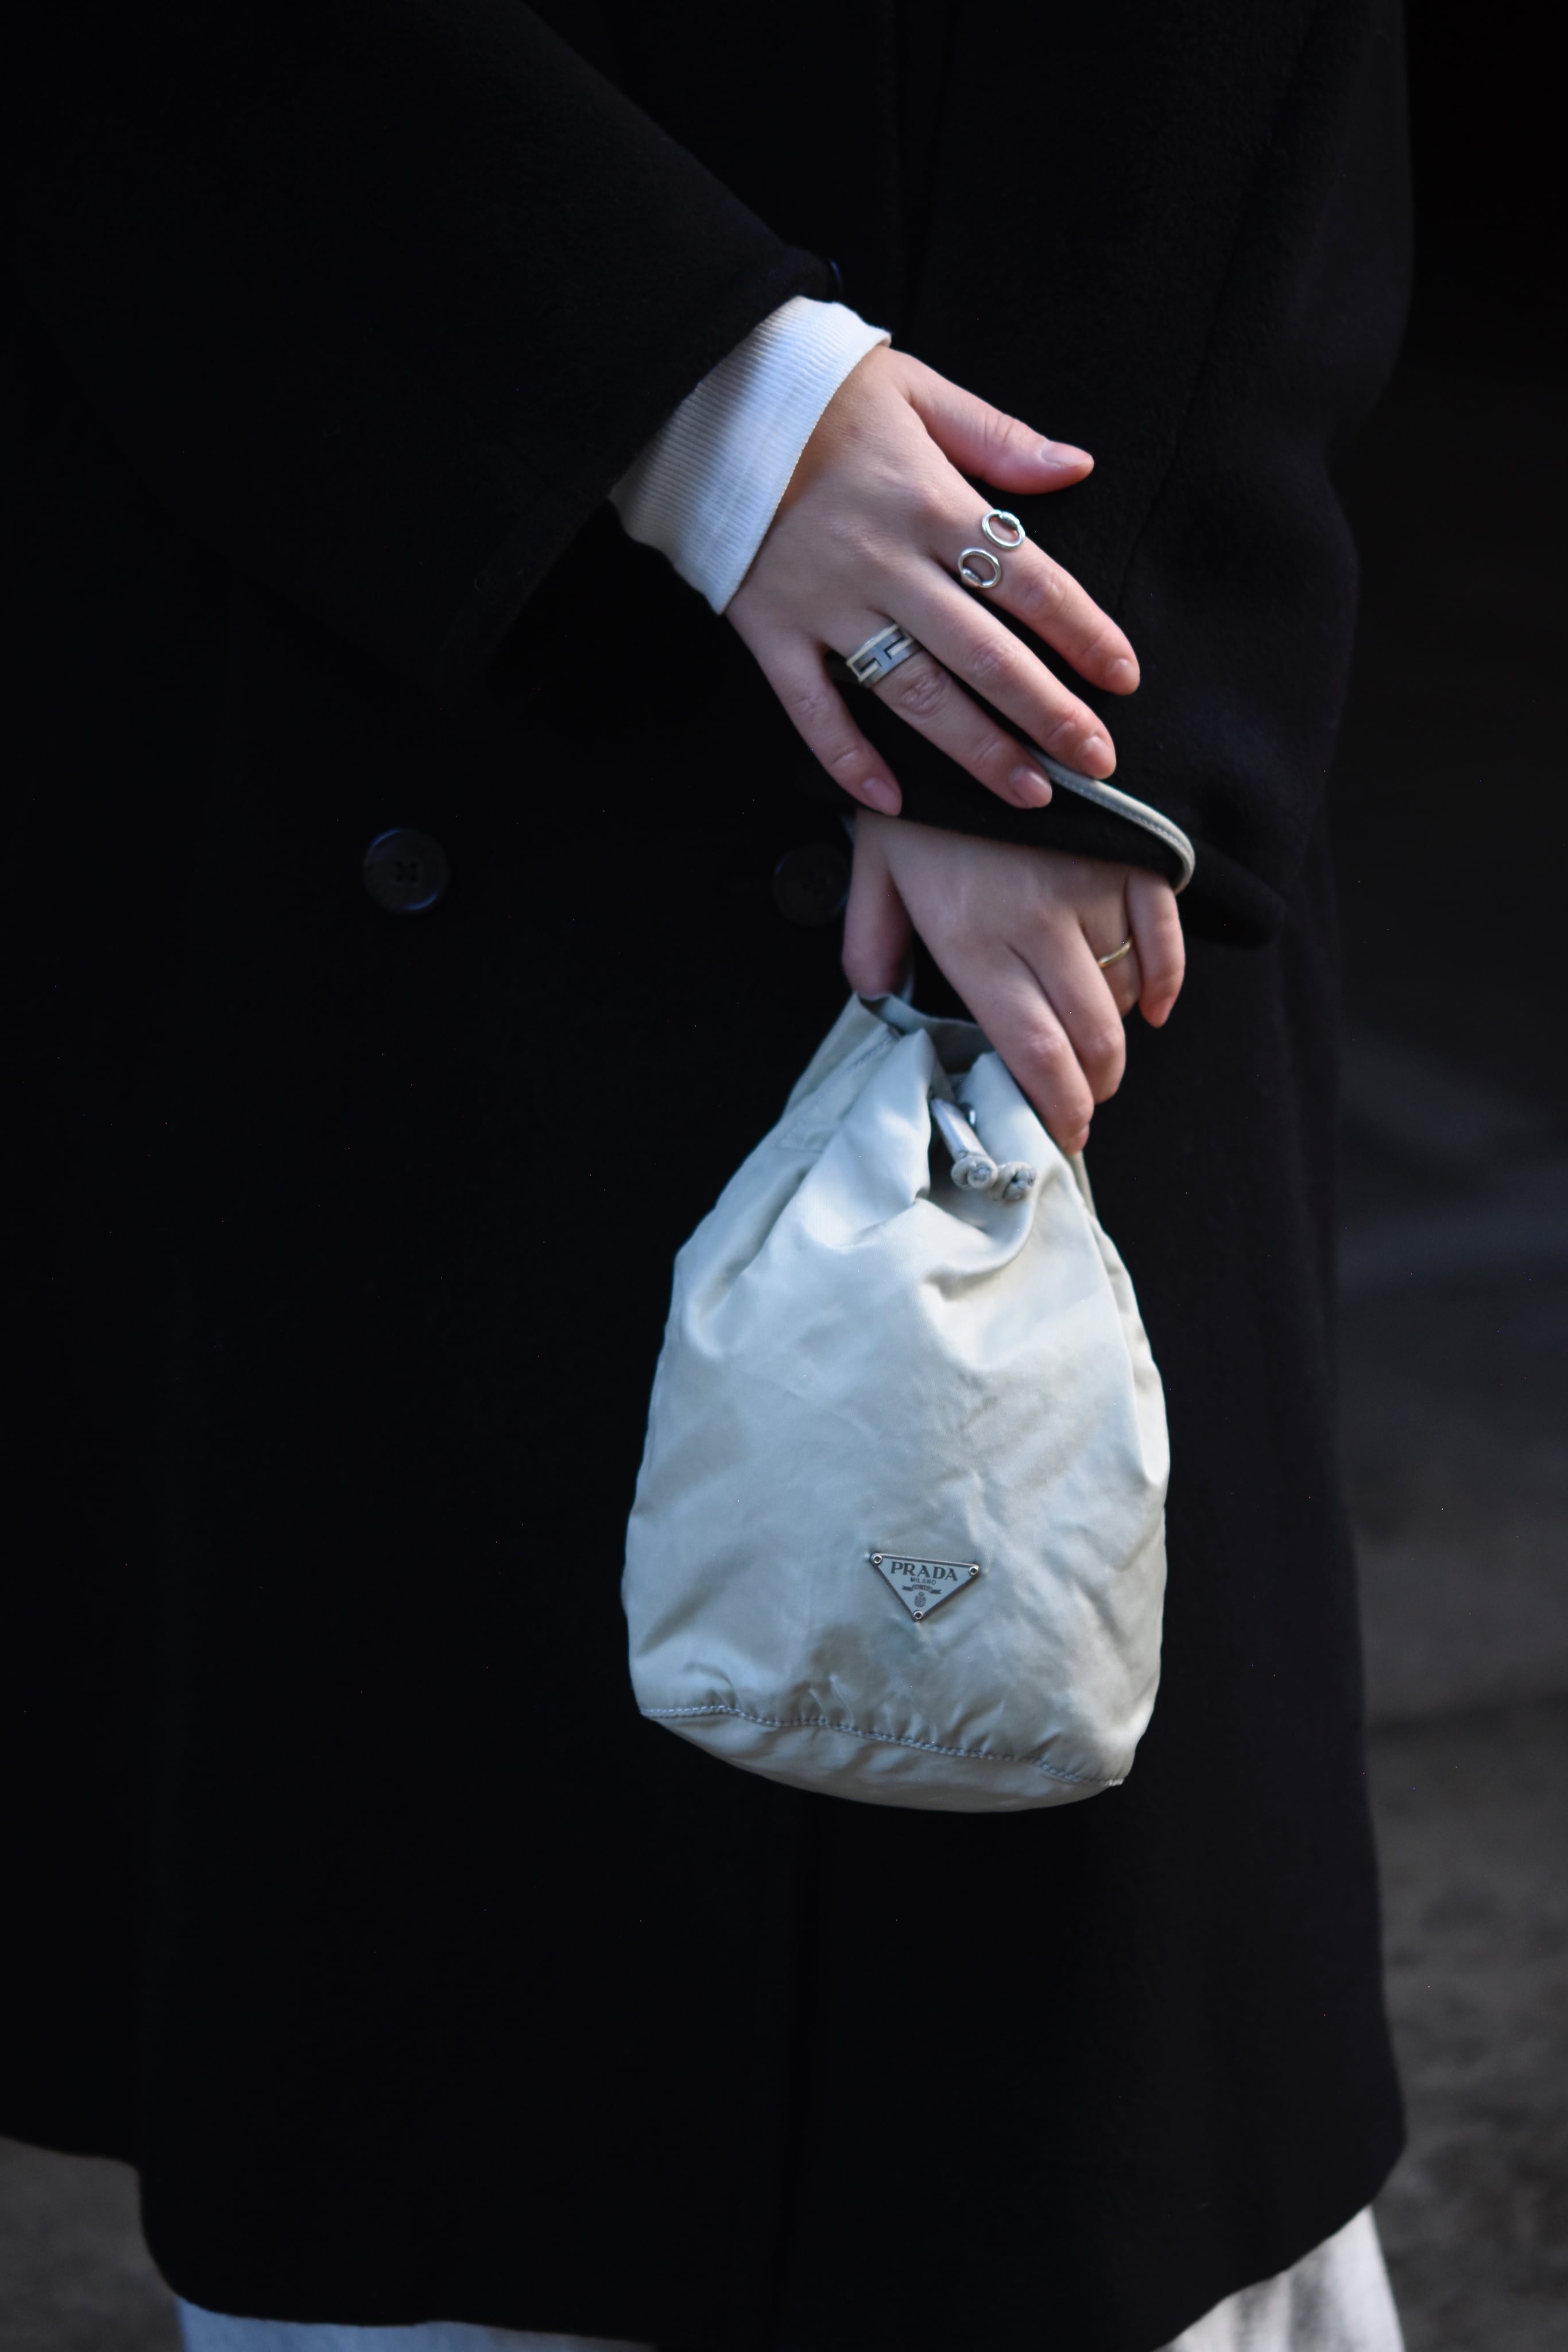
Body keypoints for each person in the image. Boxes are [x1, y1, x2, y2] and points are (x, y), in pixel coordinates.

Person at [2, 3, 1411, 2348]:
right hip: (372, 582)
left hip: (1020, 688)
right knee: (442, 2090)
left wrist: (1027, 707)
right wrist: (692, 400)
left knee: (1038, 2124)